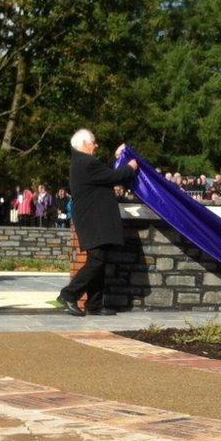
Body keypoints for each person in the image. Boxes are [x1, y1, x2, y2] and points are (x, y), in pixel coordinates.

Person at [57, 129, 138, 317]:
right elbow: (113, 177)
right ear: (85, 143)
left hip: (94, 219)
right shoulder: (85, 162)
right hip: (93, 220)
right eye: (94, 142)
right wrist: (130, 167)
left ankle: (94, 304)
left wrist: (118, 158)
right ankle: (69, 295)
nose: (96, 145)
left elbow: (105, 174)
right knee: (97, 260)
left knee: (99, 260)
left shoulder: (83, 162)